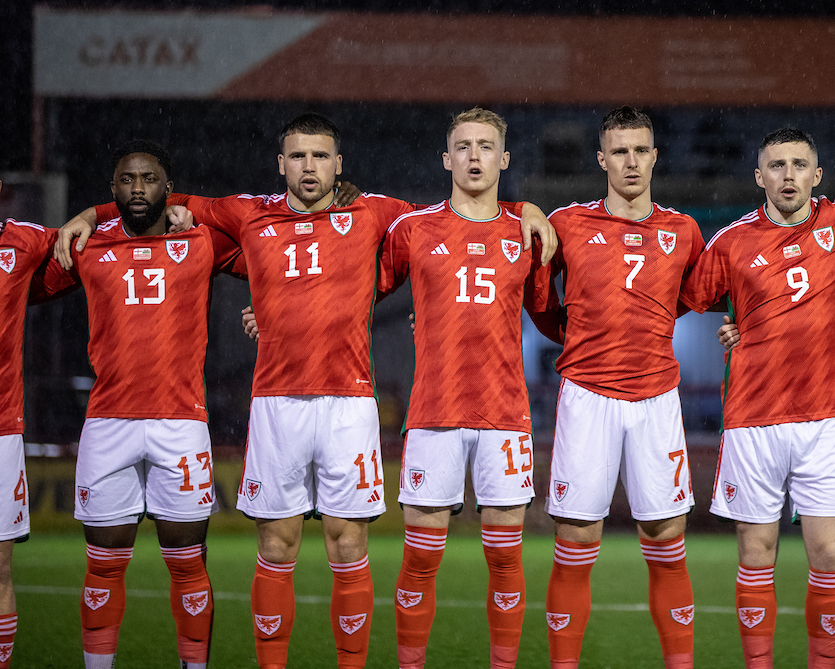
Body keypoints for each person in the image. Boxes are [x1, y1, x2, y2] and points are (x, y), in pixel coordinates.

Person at [54, 114, 556, 669]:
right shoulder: (250, 212)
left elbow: (461, 214)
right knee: (276, 546)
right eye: (298, 157)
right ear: (281, 164)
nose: (309, 167)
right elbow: (151, 196)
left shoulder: (376, 213)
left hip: (349, 404)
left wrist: (524, 210)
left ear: (339, 165)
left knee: (348, 545)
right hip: (275, 404)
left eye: (320, 157)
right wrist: (90, 215)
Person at [679, 127, 835, 669]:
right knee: (757, 555)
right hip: (752, 420)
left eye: (799, 165)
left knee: (828, 555)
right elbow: (686, 296)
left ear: (817, 175)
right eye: (776, 166)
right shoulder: (730, 242)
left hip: (822, 419)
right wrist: (734, 321)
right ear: (759, 177)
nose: (788, 175)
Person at [37, 140, 243, 669]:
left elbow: (263, 231)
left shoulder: (200, 242)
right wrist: (88, 218)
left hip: (181, 424)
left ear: (167, 188)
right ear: (112, 189)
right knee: (103, 565)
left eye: (148, 179)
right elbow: (24, 280)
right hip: (108, 425)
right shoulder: (85, 245)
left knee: (188, 563)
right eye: (126, 181)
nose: (137, 189)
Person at [379, 109, 552, 669]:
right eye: (462, 146)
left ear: (504, 159)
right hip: (433, 415)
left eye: (485, 146)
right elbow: (352, 289)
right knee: (419, 562)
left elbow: (552, 317)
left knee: (506, 562)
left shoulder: (524, 232)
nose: (474, 156)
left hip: (504, 416)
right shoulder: (414, 229)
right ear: (446, 159)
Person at [535, 106, 703, 669]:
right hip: (587, 395)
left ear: (655, 156)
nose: (631, 161)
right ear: (602, 158)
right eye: (620, 151)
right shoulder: (566, 223)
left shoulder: (683, 231)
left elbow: (692, 296)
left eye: (641, 150)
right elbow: (537, 297)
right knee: (578, 537)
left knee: (665, 535)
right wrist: (574, 335)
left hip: (657, 397)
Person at [0, 181, 64, 668]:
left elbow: (85, 242)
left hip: (2, 428)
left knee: (0, 568)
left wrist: (84, 218)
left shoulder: (21, 241)